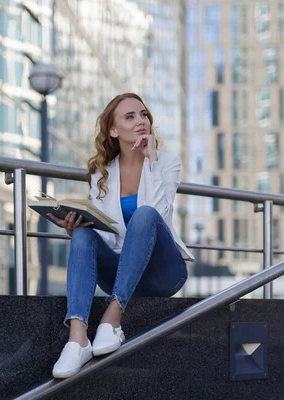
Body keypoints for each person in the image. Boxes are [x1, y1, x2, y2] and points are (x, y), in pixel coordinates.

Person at [47, 93, 195, 379]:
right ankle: (78, 338)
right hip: (120, 271)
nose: (141, 121)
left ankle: (112, 319)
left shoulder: (166, 162)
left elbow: (159, 215)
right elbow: (109, 236)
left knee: (144, 215)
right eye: (130, 117)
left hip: (163, 271)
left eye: (143, 115)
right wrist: (78, 225)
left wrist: (150, 160)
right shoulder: (101, 174)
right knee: (82, 236)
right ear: (113, 131)